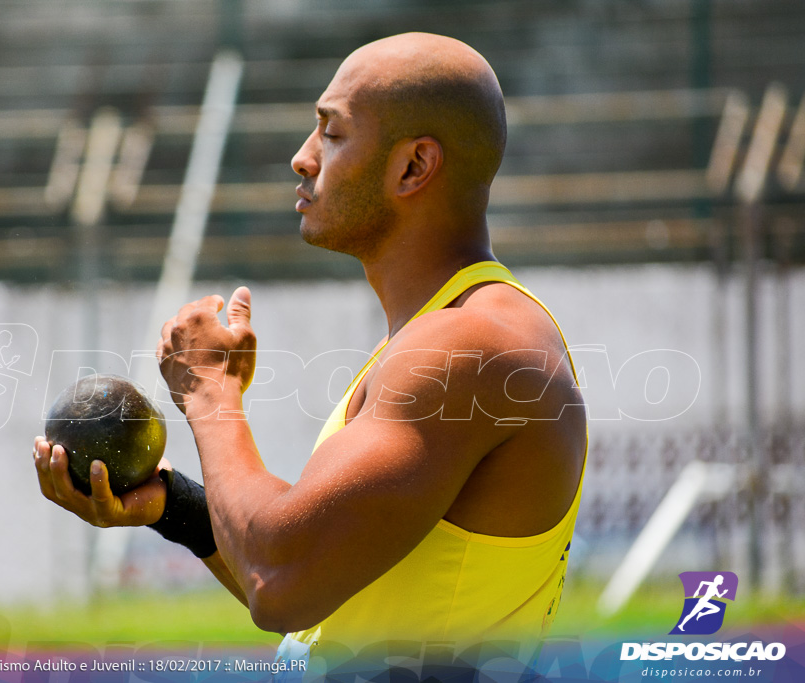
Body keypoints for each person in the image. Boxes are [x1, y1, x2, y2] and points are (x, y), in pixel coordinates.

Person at [33, 32, 588, 677]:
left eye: (331, 132)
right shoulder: (435, 335)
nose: (302, 158)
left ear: (413, 167)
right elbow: (318, 593)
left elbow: (283, 580)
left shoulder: (468, 347)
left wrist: (210, 390)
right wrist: (174, 507)